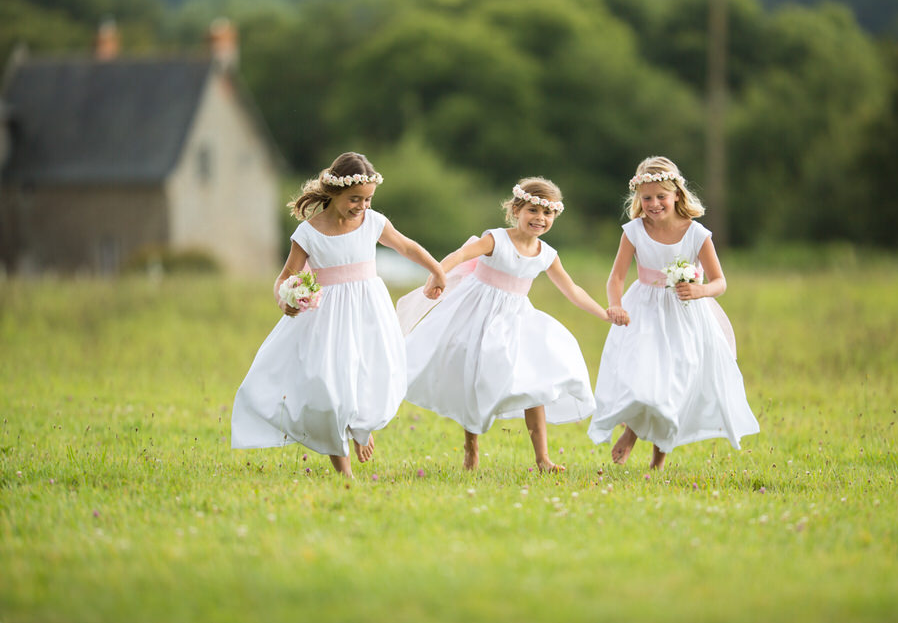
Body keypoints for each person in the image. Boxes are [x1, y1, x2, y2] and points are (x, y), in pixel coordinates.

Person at [231, 152, 446, 478]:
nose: (362, 205)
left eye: (368, 199)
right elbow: (285, 276)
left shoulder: (373, 222)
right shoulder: (309, 232)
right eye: (354, 199)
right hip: (327, 319)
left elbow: (406, 247)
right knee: (330, 386)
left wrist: (437, 270)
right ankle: (344, 471)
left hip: (369, 313)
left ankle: (360, 426)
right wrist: (283, 299)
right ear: (333, 193)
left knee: (369, 373)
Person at [398, 178, 623, 472]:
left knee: (535, 381)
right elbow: (461, 255)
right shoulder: (497, 240)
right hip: (476, 312)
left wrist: (604, 313)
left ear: (555, 216)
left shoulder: (547, 254)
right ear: (516, 209)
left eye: (547, 214)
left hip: (515, 318)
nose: (539, 219)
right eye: (533, 210)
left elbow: (572, 290)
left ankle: (542, 458)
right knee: (475, 376)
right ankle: (471, 446)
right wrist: (436, 275)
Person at [588, 156, 759, 470]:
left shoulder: (697, 234)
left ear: (677, 194)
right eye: (647, 198)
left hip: (684, 314)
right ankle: (632, 432)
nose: (654, 204)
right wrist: (616, 305)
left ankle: (658, 460)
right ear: (638, 199)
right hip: (643, 312)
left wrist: (700, 290)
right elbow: (616, 277)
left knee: (672, 383)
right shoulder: (634, 231)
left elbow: (719, 281)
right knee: (643, 375)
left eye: (661, 197)